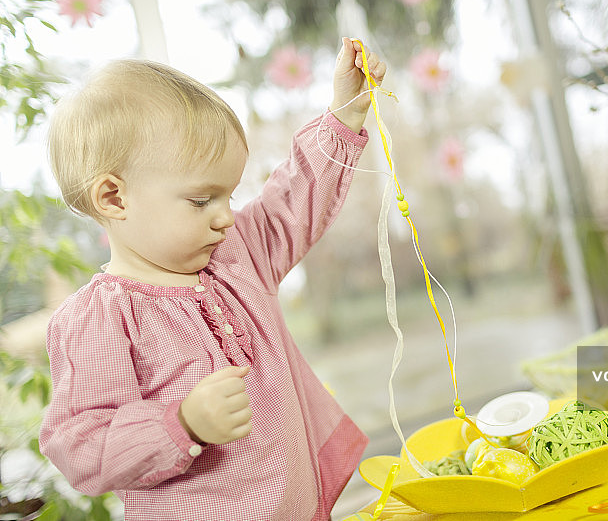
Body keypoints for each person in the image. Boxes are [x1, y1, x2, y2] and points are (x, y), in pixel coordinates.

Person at [39, 38, 386, 520]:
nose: (225, 217)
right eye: (202, 201)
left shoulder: (235, 254)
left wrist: (346, 112)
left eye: (230, 195)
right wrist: (181, 422)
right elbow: (81, 446)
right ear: (114, 199)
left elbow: (293, 200)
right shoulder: (97, 321)